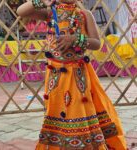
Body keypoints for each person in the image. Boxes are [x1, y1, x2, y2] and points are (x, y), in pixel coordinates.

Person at [17, 0, 127, 149]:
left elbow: (96, 43)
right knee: (57, 112)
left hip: (78, 74)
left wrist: (75, 39)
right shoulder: (50, 13)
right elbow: (21, 11)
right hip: (56, 76)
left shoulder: (84, 15)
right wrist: (41, 1)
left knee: (79, 111)